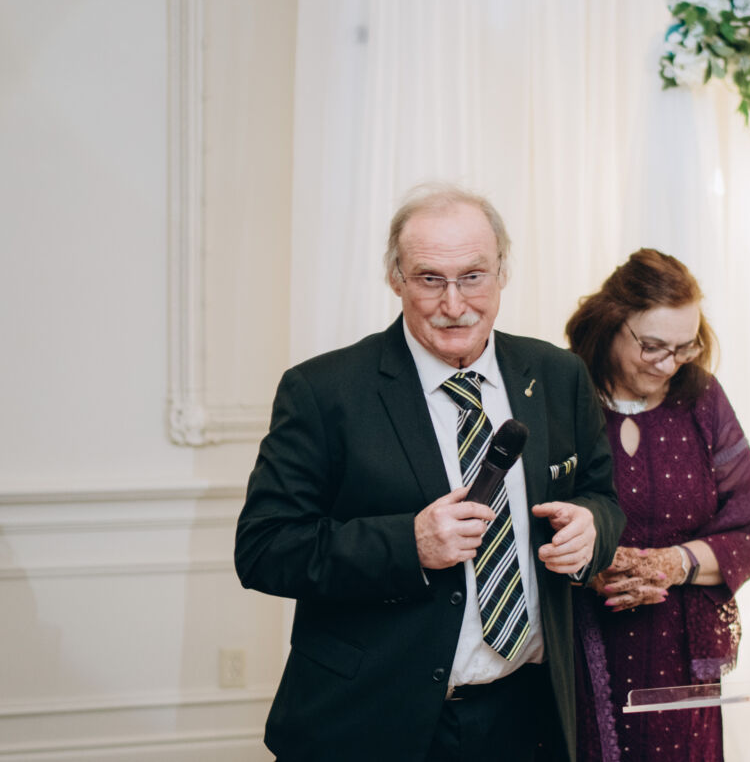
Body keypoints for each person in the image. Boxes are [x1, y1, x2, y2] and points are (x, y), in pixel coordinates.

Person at [235, 183, 626, 762]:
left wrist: (592, 529)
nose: (454, 303)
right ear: (396, 279)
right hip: (371, 721)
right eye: (429, 279)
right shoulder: (323, 391)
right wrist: (409, 544)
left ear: (502, 273)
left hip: (528, 717)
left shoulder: (557, 374)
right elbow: (264, 549)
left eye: (473, 276)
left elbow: (603, 499)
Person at [564, 248, 750, 762]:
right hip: (580, 647)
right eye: (653, 346)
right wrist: (588, 566)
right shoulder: (562, 391)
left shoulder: (701, 398)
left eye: (685, 347)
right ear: (612, 322)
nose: (667, 364)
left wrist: (674, 563)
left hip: (679, 659)